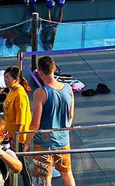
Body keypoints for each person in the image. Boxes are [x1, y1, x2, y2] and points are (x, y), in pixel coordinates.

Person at [30, 56, 75, 186]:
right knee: (67, 173)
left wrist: (26, 142)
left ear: (40, 72)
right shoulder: (68, 88)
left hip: (43, 143)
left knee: (44, 178)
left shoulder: (40, 92)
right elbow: (70, 116)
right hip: (63, 140)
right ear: (54, 68)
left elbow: (35, 123)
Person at [2, 66, 32, 149]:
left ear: (16, 79)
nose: (5, 80)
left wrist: (15, 139)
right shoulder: (11, 91)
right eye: (4, 77)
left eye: (8, 78)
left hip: (19, 139)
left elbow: (20, 121)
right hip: (10, 134)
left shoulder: (20, 95)